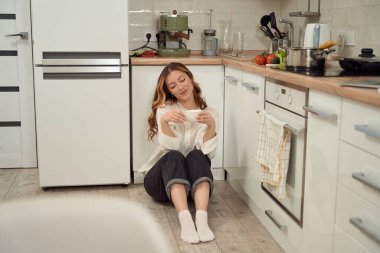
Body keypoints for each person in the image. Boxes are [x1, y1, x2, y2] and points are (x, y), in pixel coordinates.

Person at [138, 62, 219, 244]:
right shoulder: (165, 110)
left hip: (194, 185)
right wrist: (165, 122)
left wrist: (211, 126)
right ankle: (186, 221)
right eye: (173, 86)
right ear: (169, 91)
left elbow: (209, 154)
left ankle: (201, 219)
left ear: (190, 78)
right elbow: (169, 151)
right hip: (159, 184)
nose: (180, 87)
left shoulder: (210, 114)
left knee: (198, 155)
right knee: (174, 156)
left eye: (182, 80)